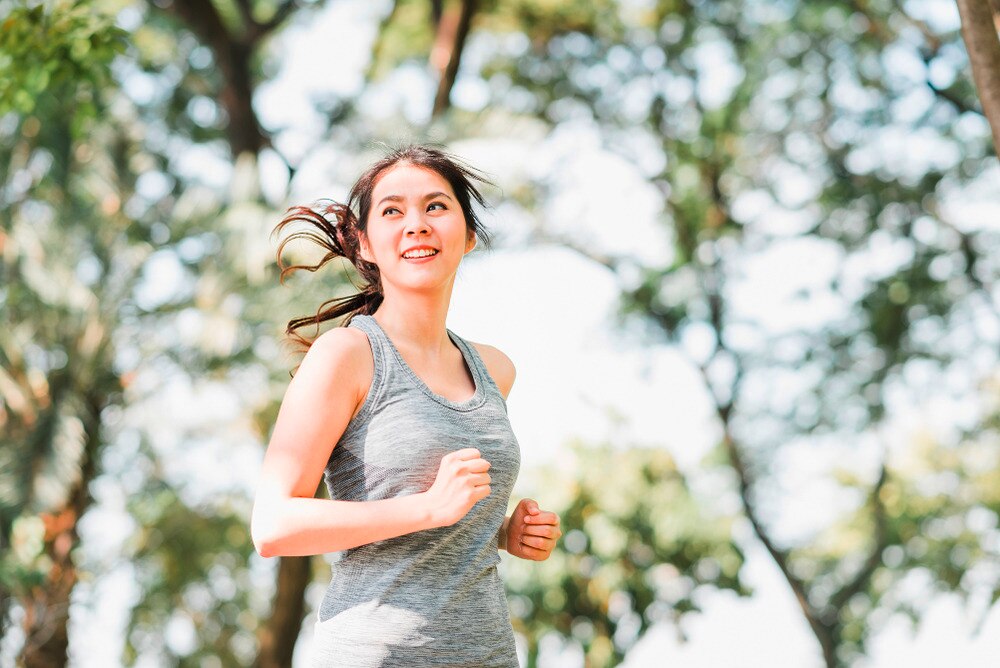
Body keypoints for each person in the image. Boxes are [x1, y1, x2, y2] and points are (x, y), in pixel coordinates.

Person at [250, 143, 563, 667]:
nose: (416, 224)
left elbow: (448, 519)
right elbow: (273, 525)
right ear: (366, 243)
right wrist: (427, 508)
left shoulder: (495, 369)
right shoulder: (347, 356)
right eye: (392, 211)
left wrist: (505, 530)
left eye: (436, 207)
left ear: (468, 235)